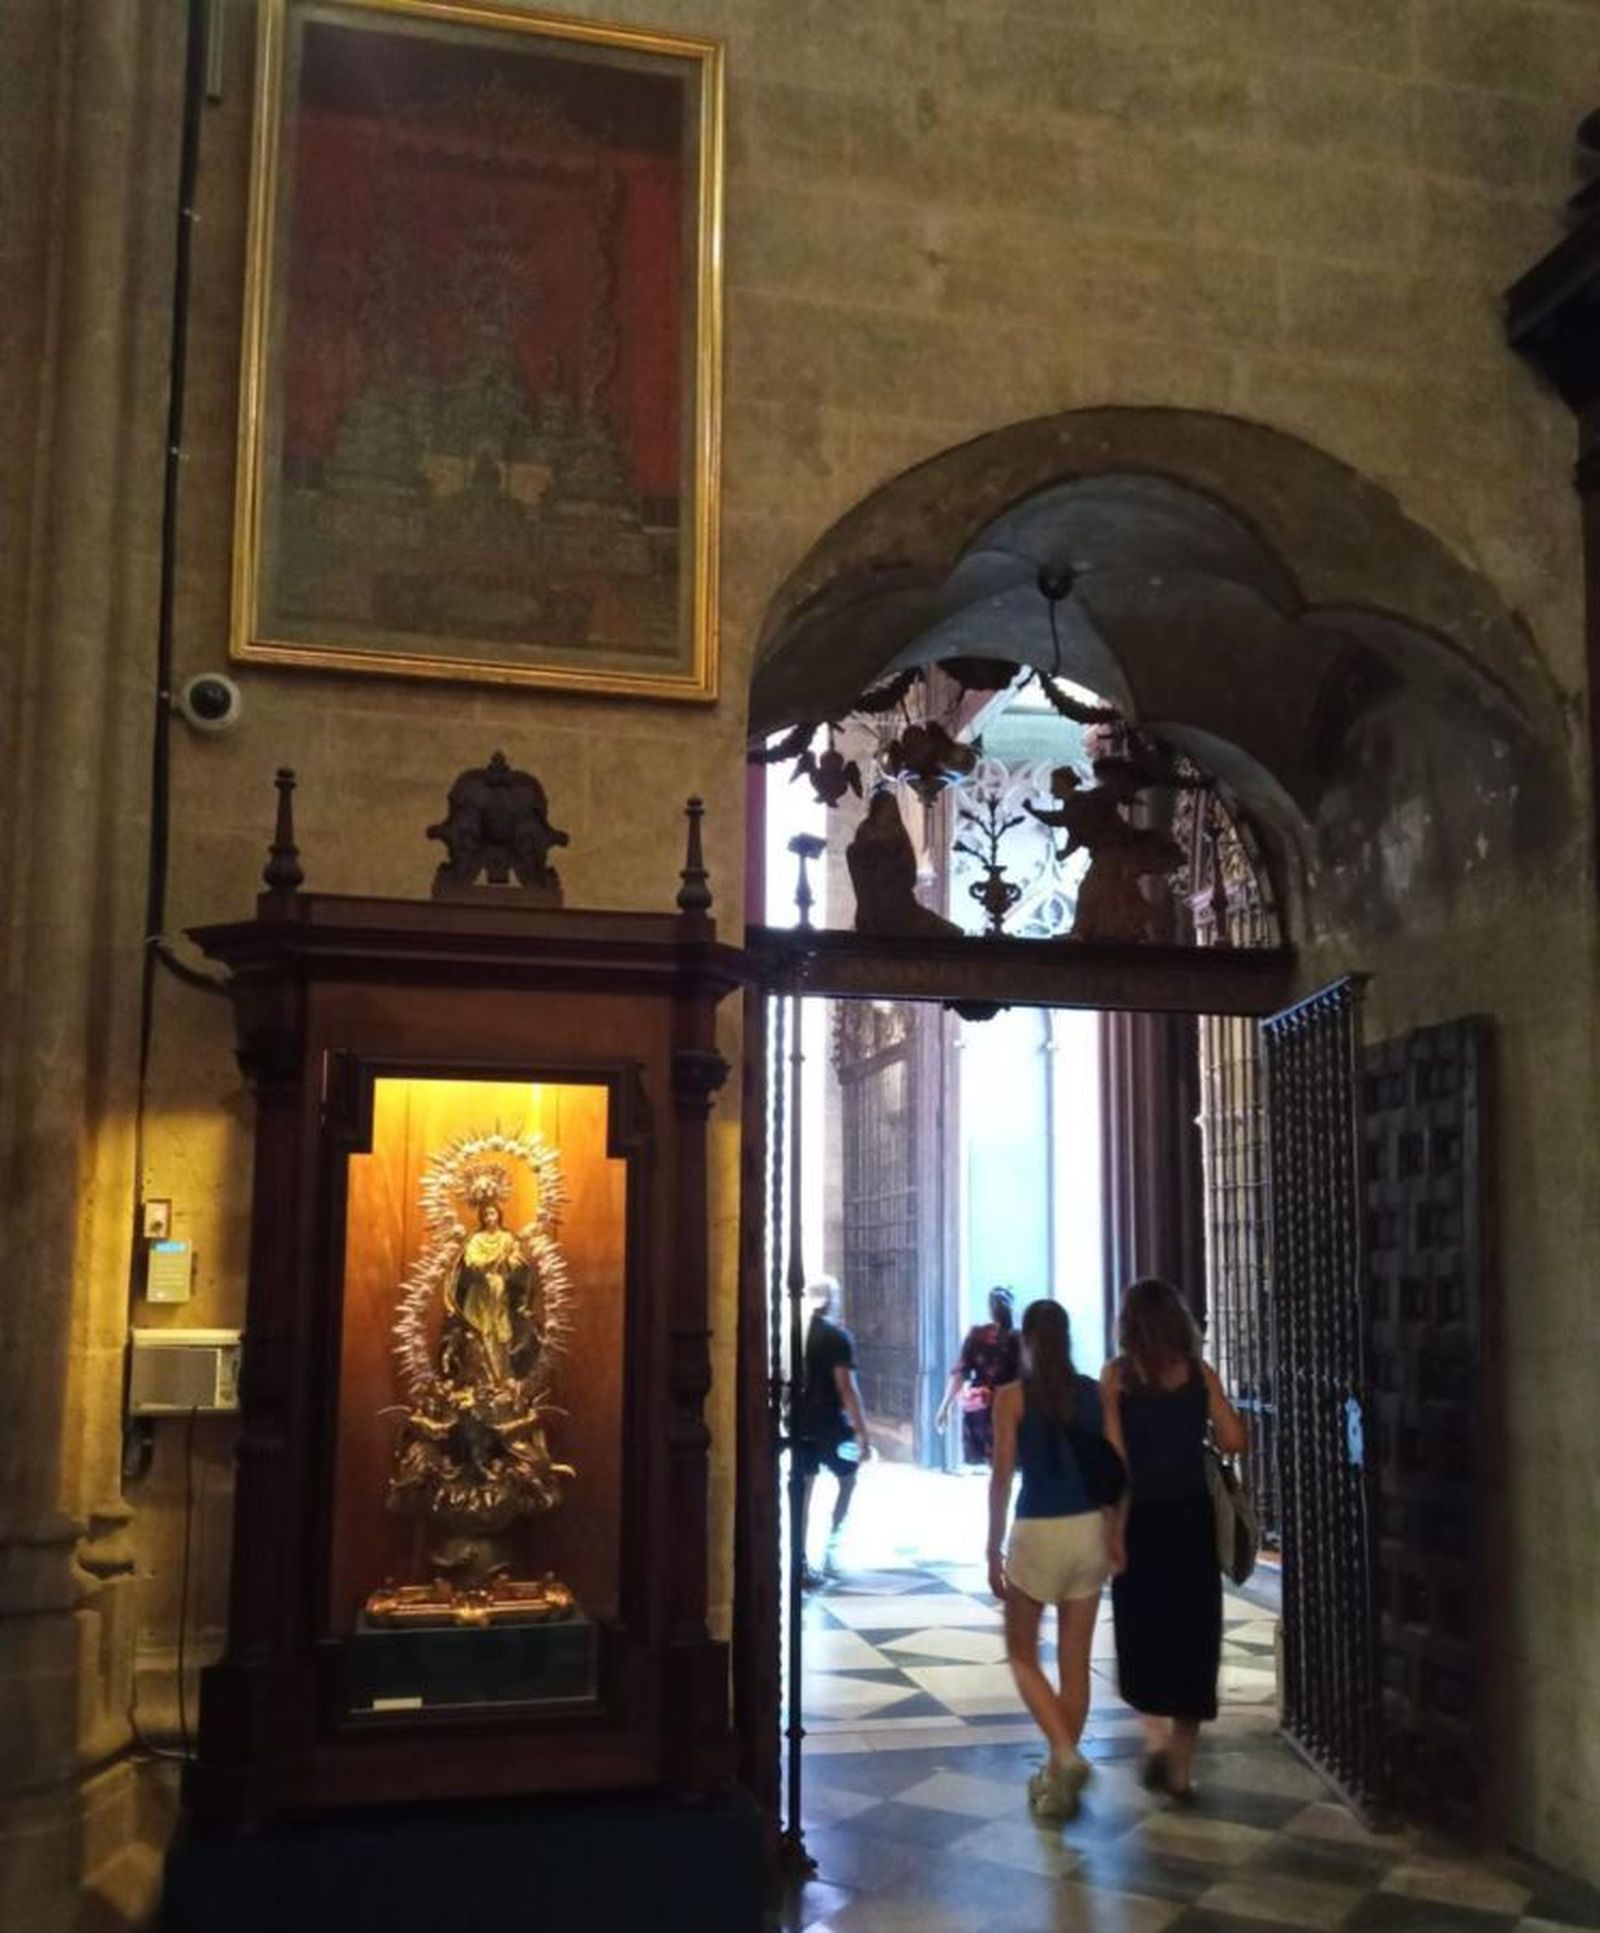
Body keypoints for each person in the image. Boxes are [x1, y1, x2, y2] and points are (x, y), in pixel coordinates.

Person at [1100, 1276, 1247, 1802]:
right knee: (1193, 1637)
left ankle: (1155, 1736)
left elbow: (1114, 1463)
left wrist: (1112, 1534)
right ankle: (1182, 1772)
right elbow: (1234, 1440)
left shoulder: (1115, 1378)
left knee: (1142, 1633)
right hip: (1191, 1520)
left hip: (1140, 1521)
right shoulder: (1199, 1374)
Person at [987, 1299, 1117, 1820]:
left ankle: (1064, 1754)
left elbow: (1000, 1476)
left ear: (1026, 1341)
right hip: (1089, 1528)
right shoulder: (1095, 1393)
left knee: (1021, 1652)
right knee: (1073, 1662)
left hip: (1038, 1528)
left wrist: (991, 1545)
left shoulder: (1012, 1398)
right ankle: (1059, 1776)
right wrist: (1117, 1532)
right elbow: (1117, 1465)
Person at [794, 1277, 871, 1586]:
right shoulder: (838, 1338)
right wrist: (862, 1432)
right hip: (833, 1426)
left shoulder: (797, 1333)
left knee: (803, 1490)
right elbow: (846, 1388)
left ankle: (799, 1560)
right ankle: (831, 1550)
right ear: (830, 1300)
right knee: (848, 1479)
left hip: (800, 1421)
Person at [935, 1286, 1020, 1464]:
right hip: (1012, 1409)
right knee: (1007, 1462)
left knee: (995, 1465)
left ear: (990, 1309)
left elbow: (959, 1373)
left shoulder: (977, 1335)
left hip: (983, 1411)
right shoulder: (1019, 1339)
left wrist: (944, 1406)